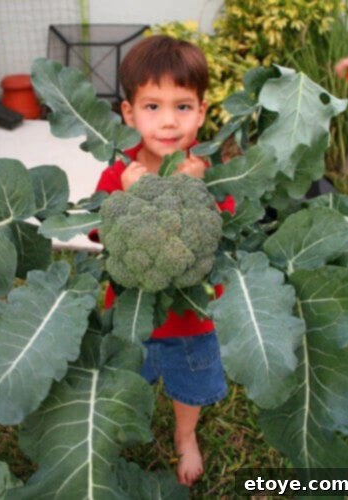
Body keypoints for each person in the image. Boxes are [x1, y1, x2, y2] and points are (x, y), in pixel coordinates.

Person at [91, 35, 235, 487]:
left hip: (193, 319)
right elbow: (97, 231)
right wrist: (127, 197)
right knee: (125, 379)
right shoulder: (120, 173)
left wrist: (199, 194)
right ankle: (123, 425)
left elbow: (227, 233)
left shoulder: (212, 175)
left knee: (189, 388)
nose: (169, 122)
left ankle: (184, 434)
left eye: (182, 106)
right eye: (153, 107)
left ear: (202, 112)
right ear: (128, 113)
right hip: (132, 315)